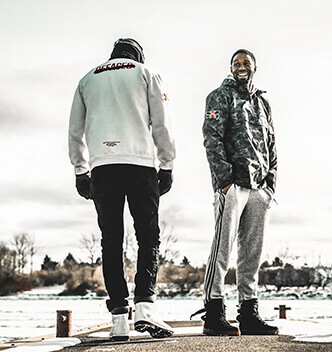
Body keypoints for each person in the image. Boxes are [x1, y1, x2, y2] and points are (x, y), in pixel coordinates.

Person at [68, 38, 176, 340]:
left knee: (111, 240)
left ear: (113, 55)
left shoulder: (87, 79)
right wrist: (166, 164)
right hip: (139, 164)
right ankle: (144, 306)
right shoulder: (146, 73)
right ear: (138, 54)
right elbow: (162, 123)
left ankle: (118, 319)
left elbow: (75, 129)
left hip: (102, 167)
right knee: (148, 235)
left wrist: (80, 169)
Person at [201, 49, 278, 336]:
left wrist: (271, 183)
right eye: (236, 63)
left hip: (259, 187)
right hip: (231, 186)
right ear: (231, 68)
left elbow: (272, 143)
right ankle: (213, 312)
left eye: (246, 63)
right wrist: (224, 182)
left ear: (255, 68)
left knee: (252, 254)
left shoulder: (263, 103)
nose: (241, 67)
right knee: (223, 249)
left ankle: (249, 314)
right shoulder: (219, 97)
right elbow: (212, 138)